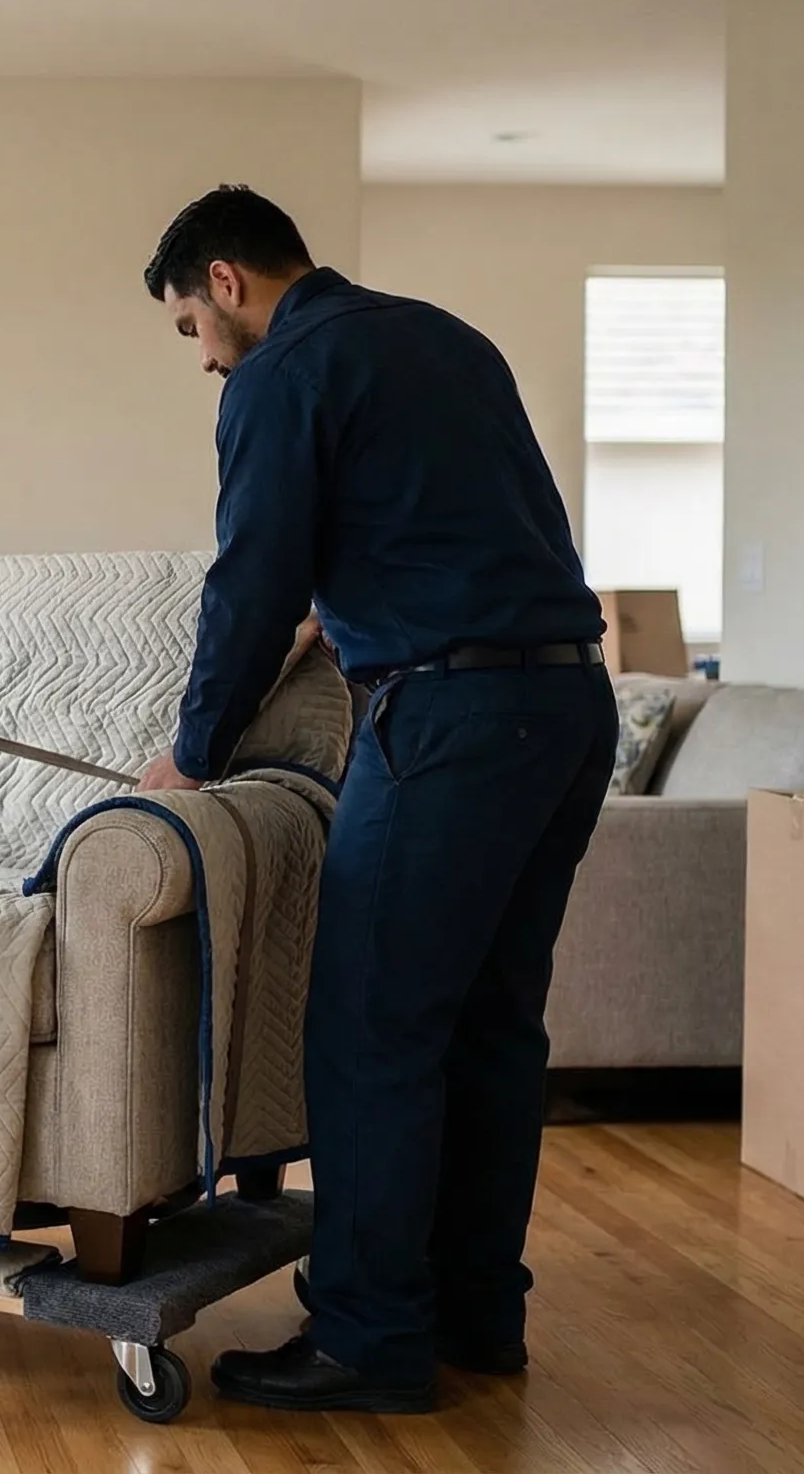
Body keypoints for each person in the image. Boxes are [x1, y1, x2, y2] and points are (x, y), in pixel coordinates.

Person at [131, 186, 617, 1414]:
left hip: (447, 724)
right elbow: (442, 529)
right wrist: (330, 613)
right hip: (566, 705)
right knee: (493, 1028)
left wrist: (192, 750)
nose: (203, 357)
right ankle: (476, 1315)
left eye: (191, 327)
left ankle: (366, 1339)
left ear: (227, 281)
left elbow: (247, 579)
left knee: (368, 1033)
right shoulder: (444, 338)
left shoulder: (279, 372)